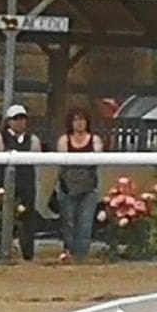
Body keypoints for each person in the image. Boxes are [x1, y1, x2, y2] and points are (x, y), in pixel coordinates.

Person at [0, 103, 42, 261]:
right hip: (5, 184)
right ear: (8, 121)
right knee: (2, 218)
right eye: (16, 119)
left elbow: (36, 159)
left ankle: (27, 255)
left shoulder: (33, 139)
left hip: (26, 185)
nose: (20, 122)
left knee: (27, 220)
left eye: (22, 118)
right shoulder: (0, 138)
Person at [55, 107, 103, 263]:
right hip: (67, 188)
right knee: (68, 223)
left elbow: (96, 160)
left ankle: (82, 257)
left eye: (82, 119)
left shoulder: (95, 140)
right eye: (76, 119)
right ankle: (69, 253)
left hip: (89, 189)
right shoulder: (64, 140)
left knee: (85, 224)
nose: (79, 123)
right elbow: (62, 164)